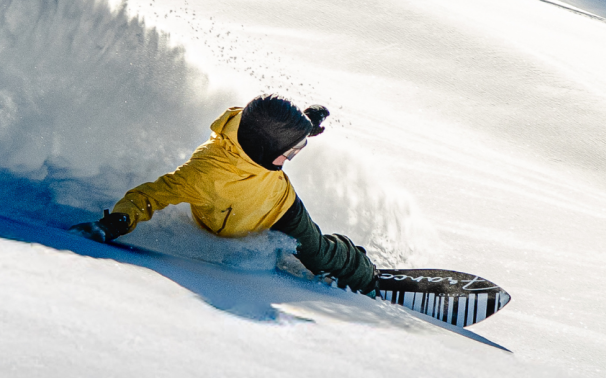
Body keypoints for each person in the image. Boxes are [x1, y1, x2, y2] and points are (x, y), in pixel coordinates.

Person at [70, 95, 377, 294]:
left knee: (319, 254)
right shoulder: (206, 174)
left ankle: (368, 276)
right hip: (234, 218)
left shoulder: (260, 133)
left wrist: (307, 123)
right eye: (290, 153)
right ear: (263, 148)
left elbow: (278, 123)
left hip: (281, 206)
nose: (291, 159)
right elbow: (151, 195)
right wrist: (116, 222)